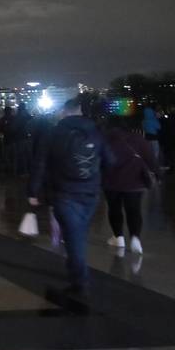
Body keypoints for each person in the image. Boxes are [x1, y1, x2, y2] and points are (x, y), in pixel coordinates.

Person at [28, 98, 114, 302]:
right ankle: (76, 275)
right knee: (79, 233)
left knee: (74, 238)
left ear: (64, 112)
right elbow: (111, 161)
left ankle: (80, 283)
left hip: (65, 192)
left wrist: (33, 191)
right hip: (90, 193)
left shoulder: (54, 133)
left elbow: (39, 164)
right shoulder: (95, 132)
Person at [103, 115, 159, 255]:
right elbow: (150, 158)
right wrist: (158, 174)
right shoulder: (138, 139)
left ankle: (118, 237)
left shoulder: (105, 139)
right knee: (134, 210)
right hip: (134, 182)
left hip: (111, 182)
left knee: (114, 209)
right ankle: (135, 238)